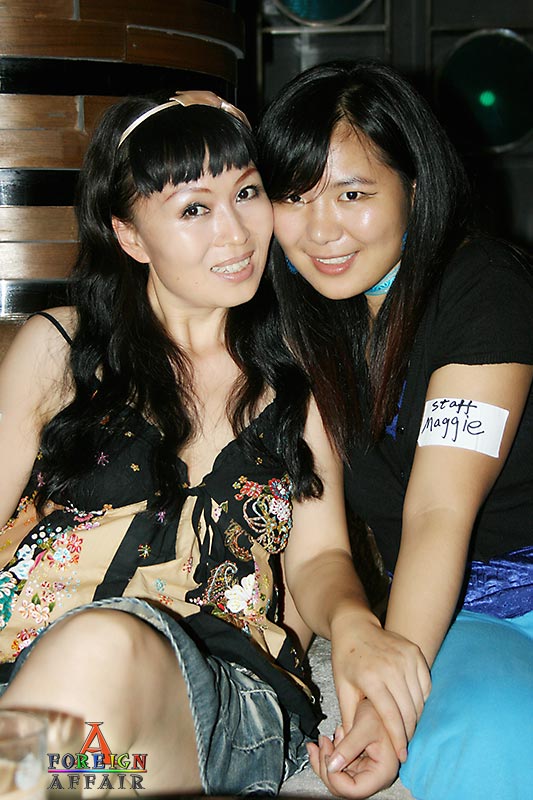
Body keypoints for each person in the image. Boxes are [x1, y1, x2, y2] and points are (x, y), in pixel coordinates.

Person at [0, 94, 425, 797]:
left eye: (247, 193)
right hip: (56, 715)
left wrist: (354, 624)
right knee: (67, 770)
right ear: (130, 236)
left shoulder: (300, 372)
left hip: (220, 704)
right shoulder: (60, 348)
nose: (235, 233)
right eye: (194, 208)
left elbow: (319, 556)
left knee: (101, 643)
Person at [252, 59, 533, 800]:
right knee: (488, 735)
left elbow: (439, 508)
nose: (321, 230)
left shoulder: (482, 287)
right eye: (293, 197)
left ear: (413, 185)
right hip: (476, 617)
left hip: (493, 582)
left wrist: (383, 700)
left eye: (352, 194)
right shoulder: (306, 328)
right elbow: (314, 538)